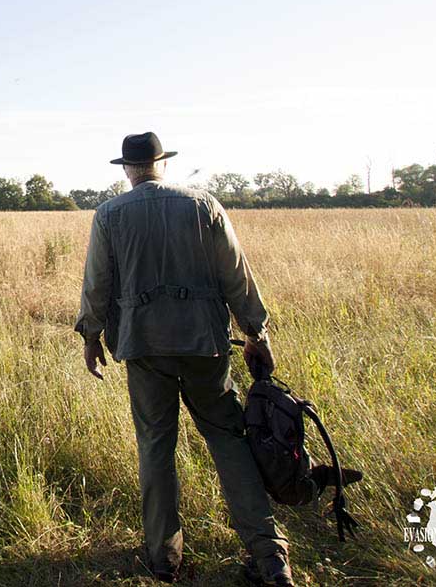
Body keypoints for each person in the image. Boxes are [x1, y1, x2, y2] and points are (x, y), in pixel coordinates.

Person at [75, 132, 291, 585]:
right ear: (162, 164)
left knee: (156, 446)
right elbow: (237, 273)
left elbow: (97, 282)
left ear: (126, 169)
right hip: (205, 344)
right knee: (229, 440)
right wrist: (256, 332)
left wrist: (91, 336)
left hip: (144, 346)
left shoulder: (110, 215)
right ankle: (270, 556)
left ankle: (163, 560)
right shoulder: (203, 205)